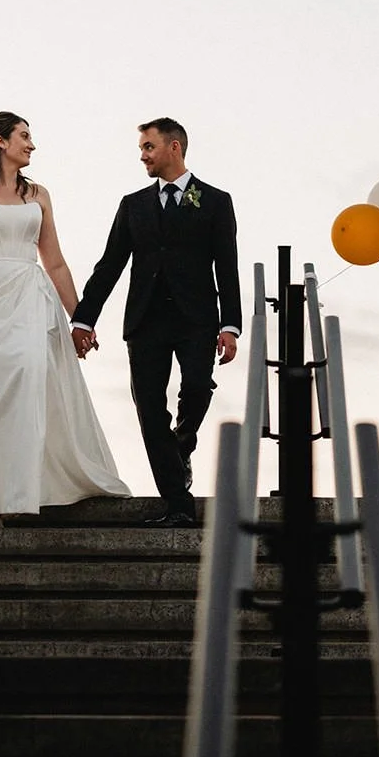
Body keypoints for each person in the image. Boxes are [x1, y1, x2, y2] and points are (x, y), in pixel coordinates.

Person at [0, 112, 131, 526]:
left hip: (27, 301)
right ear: (1, 142)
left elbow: (54, 263)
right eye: (24, 136)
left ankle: (24, 492)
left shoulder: (39, 194)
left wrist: (81, 320)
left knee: (25, 388)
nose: (31, 145)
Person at [71, 118, 240, 527]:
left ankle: (181, 447)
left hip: (197, 319)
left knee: (198, 388)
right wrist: (83, 319)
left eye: (149, 147)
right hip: (146, 321)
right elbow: (109, 265)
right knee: (149, 408)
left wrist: (230, 326)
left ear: (174, 148)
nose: (142, 155)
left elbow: (227, 266)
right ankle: (177, 502)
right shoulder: (134, 205)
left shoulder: (215, 201)